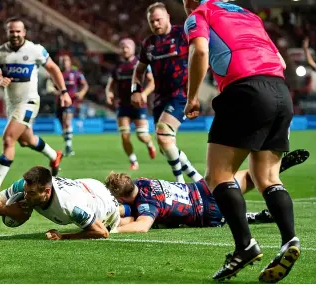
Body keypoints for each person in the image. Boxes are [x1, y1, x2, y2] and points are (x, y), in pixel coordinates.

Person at [182, 0, 298, 282]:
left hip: (245, 90)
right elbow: (280, 61)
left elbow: (199, 50)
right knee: (267, 176)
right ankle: (289, 241)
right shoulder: (247, 15)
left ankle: (244, 246)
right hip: (280, 91)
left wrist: (192, 96)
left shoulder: (199, 14)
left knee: (218, 174)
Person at [109, 149, 309, 232]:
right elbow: (129, 210)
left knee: (223, 215)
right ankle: (273, 167)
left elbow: (141, 226)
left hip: (206, 211)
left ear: (121, 196)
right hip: (204, 188)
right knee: (251, 175)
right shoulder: (141, 182)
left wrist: (113, 230)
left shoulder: (147, 205)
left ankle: (253, 217)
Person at [0, 17, 72, 196]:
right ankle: (54, 156)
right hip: (12, 103)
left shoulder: (35, 50)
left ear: (24, 32)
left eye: (18, 31)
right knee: (25, 140)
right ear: (7, 33)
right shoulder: (0, 52)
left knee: (8, 139)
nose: (15, 34)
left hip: (29, 101)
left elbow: (53, 68)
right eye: (11, 31)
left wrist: (64, 91)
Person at [132, 2, 200, 182]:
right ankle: (198, 179)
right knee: (166, 144)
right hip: (160, 99)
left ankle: (180, 184)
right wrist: (135, 90)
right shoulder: (149, 44)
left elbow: (200, 53)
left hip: (181, 95)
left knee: (163, 134)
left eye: (158, 20)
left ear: (168, 17)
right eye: (151, 21)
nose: (155, 24)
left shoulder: (182, 34)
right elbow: (138, 70)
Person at [0, 166, 121, 240]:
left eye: (31, 194)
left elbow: (102, 233)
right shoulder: (24, 186)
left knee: (127, 223)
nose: (25, 196)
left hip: (107, 209)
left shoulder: (69, 205)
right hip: (87, 185)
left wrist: (63, 237)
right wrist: (6, 210)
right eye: (25, 191)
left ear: (47, 192)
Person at [106, 38, 157, 170]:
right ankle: (133, 161)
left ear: (133, 49)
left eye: (127, 46)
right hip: (123, 105)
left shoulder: (141, 64)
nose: (124, 49)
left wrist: (144, 94)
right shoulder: (117, 67)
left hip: (138, 104)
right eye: (122, 47)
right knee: (124, 135)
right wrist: (109, 93)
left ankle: (149, 143)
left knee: (141, 135)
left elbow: (152, 82)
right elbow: (110, 85)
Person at [57, 55, 89, 156]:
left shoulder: (76, 74)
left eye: (66, 60)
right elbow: (51, 86)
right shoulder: (57, 73)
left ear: (70, 62)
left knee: (67, 122)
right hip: (59, 102)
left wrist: (81, 93)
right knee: (63, 126)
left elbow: (85, 85)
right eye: (62, 60)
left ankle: (69, 146)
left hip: (71, 102)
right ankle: (67, 143)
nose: (64, 62)